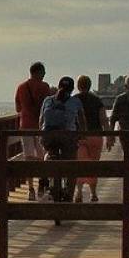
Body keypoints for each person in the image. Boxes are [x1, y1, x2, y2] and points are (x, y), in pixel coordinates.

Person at [38, 76, 84, 204]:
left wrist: (41, 134)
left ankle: (44, 175)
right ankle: (69, 196)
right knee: (71, 166)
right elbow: (82, 121)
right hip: (68, 138)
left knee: (49, 152)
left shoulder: (47, 100)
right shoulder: (75, 101)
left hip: (49, 137)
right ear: (72, 89)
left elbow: (41, 120)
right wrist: (82, 134)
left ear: (58, 87)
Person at [14, 61, 53, 200]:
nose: (44, 75)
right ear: (38, 72)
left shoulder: (21, 87)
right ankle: (42, 184)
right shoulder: (45, 87)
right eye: (43, 72)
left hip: (25, 127)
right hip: (41, 127)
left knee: (28, 157)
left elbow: (18, 109)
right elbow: (49, 107)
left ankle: (30, 189)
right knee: (43, 156)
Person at [73, 73, 105, 202]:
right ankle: (93, 193)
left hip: (80, 136)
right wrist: (109, 135)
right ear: (90, 85)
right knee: (93, 165)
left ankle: (79, 193)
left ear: (78, 86)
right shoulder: (97, 100)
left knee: (80, 165)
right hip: (96, 136)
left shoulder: (74, 100)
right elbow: (103, 119)